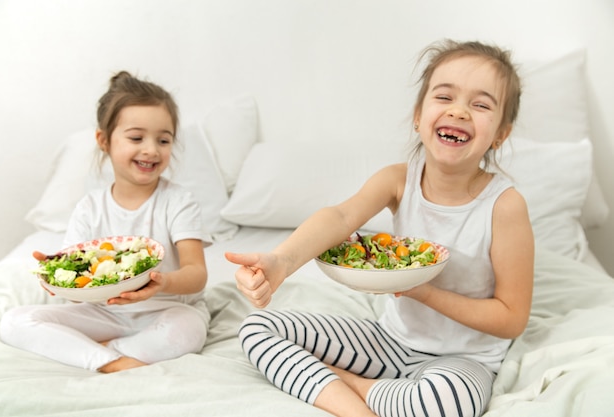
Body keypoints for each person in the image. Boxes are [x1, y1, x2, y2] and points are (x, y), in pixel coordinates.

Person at [225, 39, 534, 417]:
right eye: (444, 97)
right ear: (419, 115)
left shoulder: (505, 205)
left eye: (481, 104)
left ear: (501, 134)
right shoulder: (398, 181)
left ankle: (347, 386)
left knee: (447, 402)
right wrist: (281, 262)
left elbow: (511, 317)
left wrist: (422, 292)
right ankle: (365, 408)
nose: (459, 111)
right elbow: (340, 219)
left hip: (462, 359)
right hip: (387, 341)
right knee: (257, 328)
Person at [0, 71, 211, 373]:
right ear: (104, 140)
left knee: (189, 329)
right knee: (14, 321)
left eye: (163, 140)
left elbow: (197, 274)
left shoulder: (178, 202)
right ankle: (113, 361)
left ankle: (101, 354)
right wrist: (58, 275)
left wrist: (161, 282)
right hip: (104, 313)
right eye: (137, 137)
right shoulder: (89, 208)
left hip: (166, 309)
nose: (151, 149)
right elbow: (77, 277)